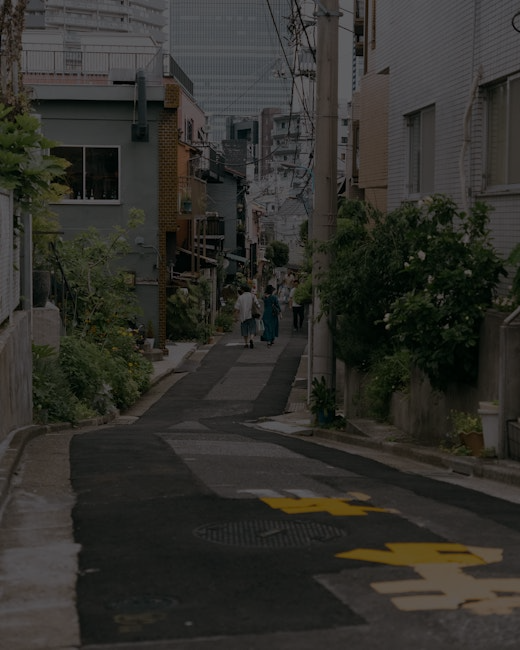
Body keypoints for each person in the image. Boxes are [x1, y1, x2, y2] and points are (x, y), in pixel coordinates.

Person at [234, 284, 262, 349]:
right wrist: (258, 309)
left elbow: (236, 308)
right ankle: (251, 339)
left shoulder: (240, 297)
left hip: (243, 317)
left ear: (243, 290)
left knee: (244, 330)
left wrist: (236, 317)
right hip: (251, 315)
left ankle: (246, 343)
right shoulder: (253, 296)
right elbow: (258, 305)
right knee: (252, 329)